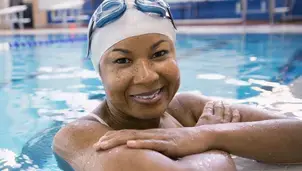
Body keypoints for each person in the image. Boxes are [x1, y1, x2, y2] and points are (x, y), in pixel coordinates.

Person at [53, 0, 302, 170]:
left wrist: (203, 135)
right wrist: (214, 141)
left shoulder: (185, 108)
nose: (147, 77)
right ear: (100, 73)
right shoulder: (81, 136)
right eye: (122, 60)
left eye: (159, 54)